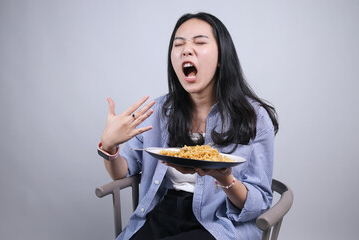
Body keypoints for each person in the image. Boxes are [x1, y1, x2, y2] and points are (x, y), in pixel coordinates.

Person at [98, 12, 279, 240]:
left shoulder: (254, 117)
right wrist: (110, 146)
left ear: (221, 57)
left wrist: (225, 179)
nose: (186, 49)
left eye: (200, 42)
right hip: (163, 211)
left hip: (220, 221)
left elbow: (260, 202)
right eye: (178, 44)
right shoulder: (159, 111)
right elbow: (122, 172)